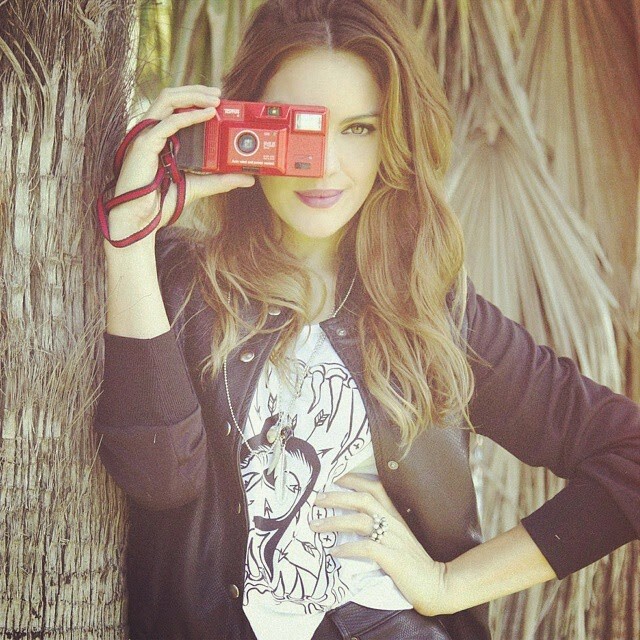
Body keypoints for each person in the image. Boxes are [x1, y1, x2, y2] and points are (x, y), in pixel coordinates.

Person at [94, 1, 640, 638]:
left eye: (359, 128)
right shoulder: (179, 282)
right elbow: (159, 478)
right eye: (300, 126)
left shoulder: (432, 313)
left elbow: (627, 455)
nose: (326, 163)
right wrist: (128, 240)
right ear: (245, 121)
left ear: (393, 139)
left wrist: (449, 584)